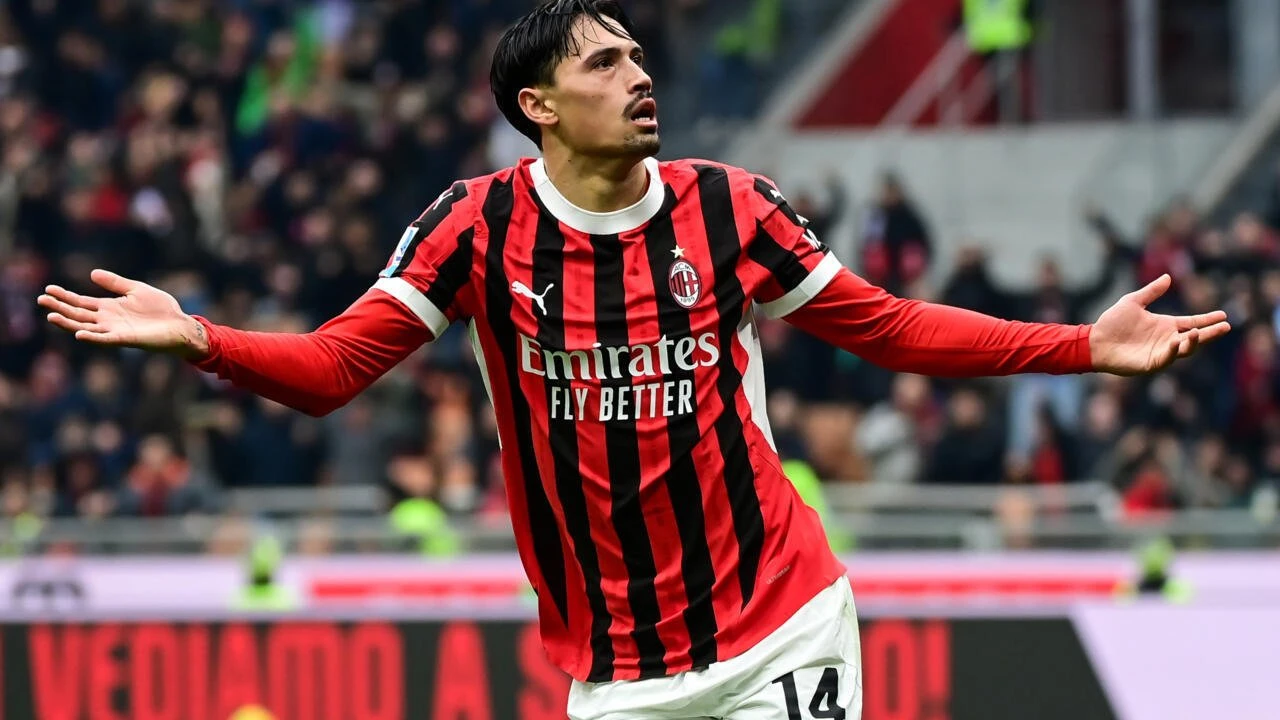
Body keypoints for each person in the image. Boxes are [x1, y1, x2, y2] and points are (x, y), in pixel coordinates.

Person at [37, 2, 1231, 718]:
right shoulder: (474, 227)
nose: (639, 75)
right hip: (616, 672)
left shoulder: (730, 207)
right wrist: (202, 338)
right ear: (538, 105)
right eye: (603, 64)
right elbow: (334, 367)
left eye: (637, 57)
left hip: (781, 624)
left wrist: (1080, 345)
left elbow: (886, 325)